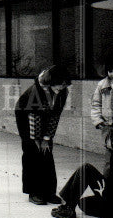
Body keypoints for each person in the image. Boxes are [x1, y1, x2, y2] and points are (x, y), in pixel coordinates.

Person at [51, 124, 113, 218]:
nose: (106, 147)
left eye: (108, 145)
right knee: (83, 200)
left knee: (85, 172)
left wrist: (104, 189)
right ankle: (68, 206)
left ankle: (68, 207)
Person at [14, 64, 71, 205]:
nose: (62, 88)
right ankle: (34, 192)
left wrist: (47, 138)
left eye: (64, 85)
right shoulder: (35, 92)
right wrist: (36, 139)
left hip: (46, 117)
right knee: (32, 152)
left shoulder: (62, 92)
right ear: (51, 80)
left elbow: (55, 116)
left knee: (47, 151)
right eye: (59, 84)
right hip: (27, 118)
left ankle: (49, 192)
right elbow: (35, 118)